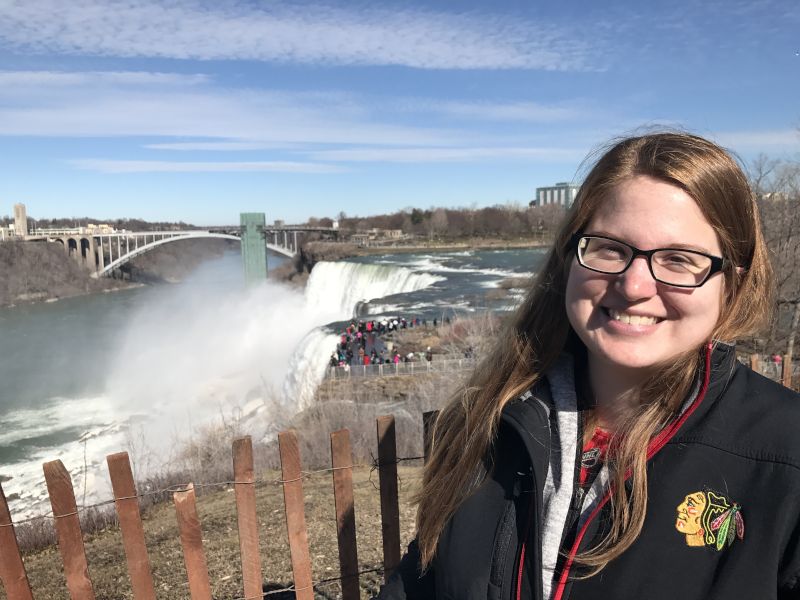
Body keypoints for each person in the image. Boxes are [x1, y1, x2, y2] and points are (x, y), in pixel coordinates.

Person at [375, 132, 800, 600]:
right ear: (570, 259)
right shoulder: (487, 424)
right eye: (610, 248)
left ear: (732, 285)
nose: (635, 285)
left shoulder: (785, 459)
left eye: (680, 259)